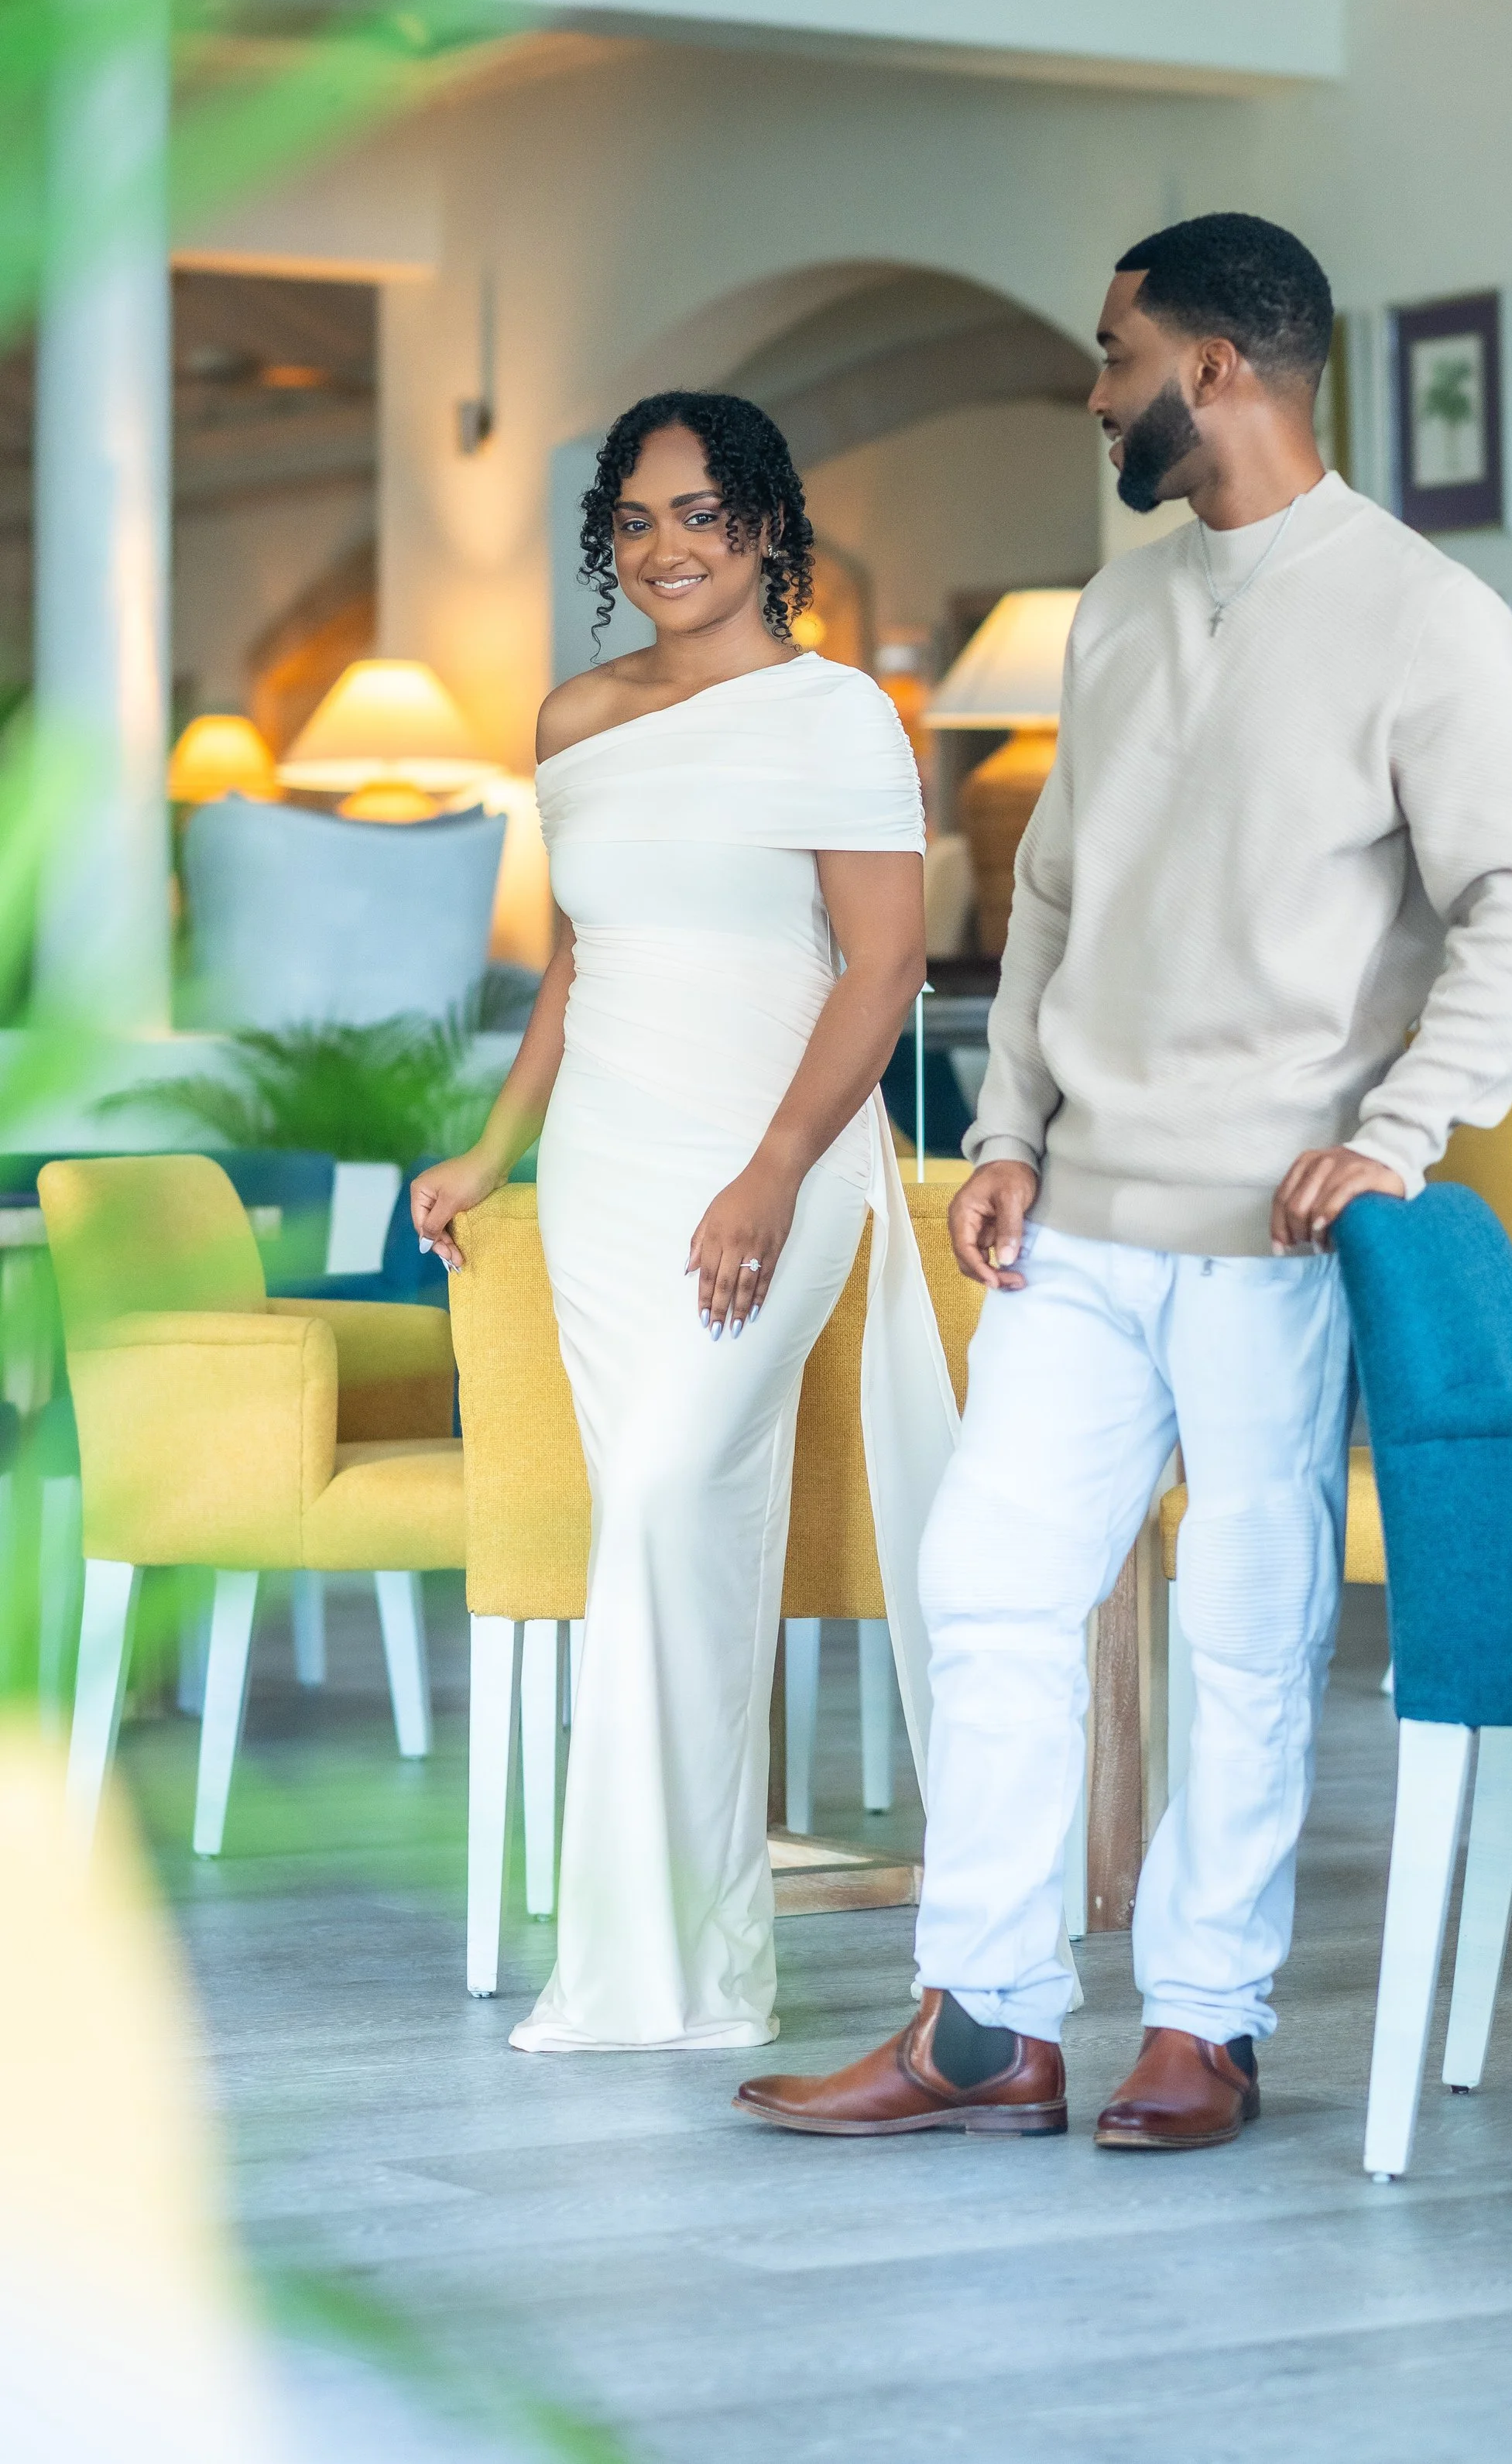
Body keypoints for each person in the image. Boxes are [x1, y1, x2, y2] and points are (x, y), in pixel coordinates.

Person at [735, 212, 1512, 2147]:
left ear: (1212, 369)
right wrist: (1005, 1134)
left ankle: (1205, 2021)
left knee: (1245, 1625)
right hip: (1077, 1219)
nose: (1093, 389)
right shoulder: (1112, 613)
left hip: (1275, 1228)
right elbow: (1050, 901)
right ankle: (983, 2025)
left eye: (1115, 355)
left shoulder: (1427, 615)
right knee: (988, 1587)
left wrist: (1395, 1133)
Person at [413, 391, 958, 2053]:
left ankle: (670, 1964)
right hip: (607, 1169)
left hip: (776, 1159)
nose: (668, 549)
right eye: (637, 521)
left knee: (662, 1493)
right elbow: (580, 957)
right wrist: (493, 1149)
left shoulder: (839, 715)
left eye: (703, 515)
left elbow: (885, 965)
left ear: (769, 525)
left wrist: (773, 1168)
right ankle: (688, 1972)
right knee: (660, 1534)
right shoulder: (575, 718)